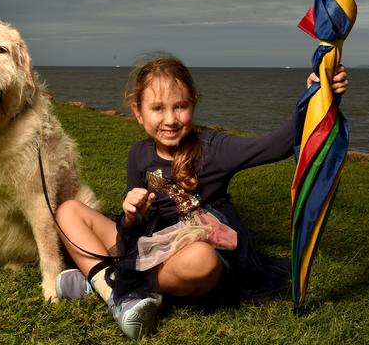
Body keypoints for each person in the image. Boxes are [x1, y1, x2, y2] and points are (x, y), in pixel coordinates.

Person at [54, 55, 349, 339]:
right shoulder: (138, 155)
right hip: (147, 246)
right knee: (67, 210)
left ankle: (103, 281)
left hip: (189, 253)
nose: (169, 119)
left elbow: (278, 145)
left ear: (193, 104)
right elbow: (130, 233)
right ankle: (115, 289)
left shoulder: (215, 148)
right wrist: (132, 213)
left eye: (179, 106)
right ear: (137, 112)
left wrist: (319, 97)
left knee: (201, 260)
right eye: (157, 108)